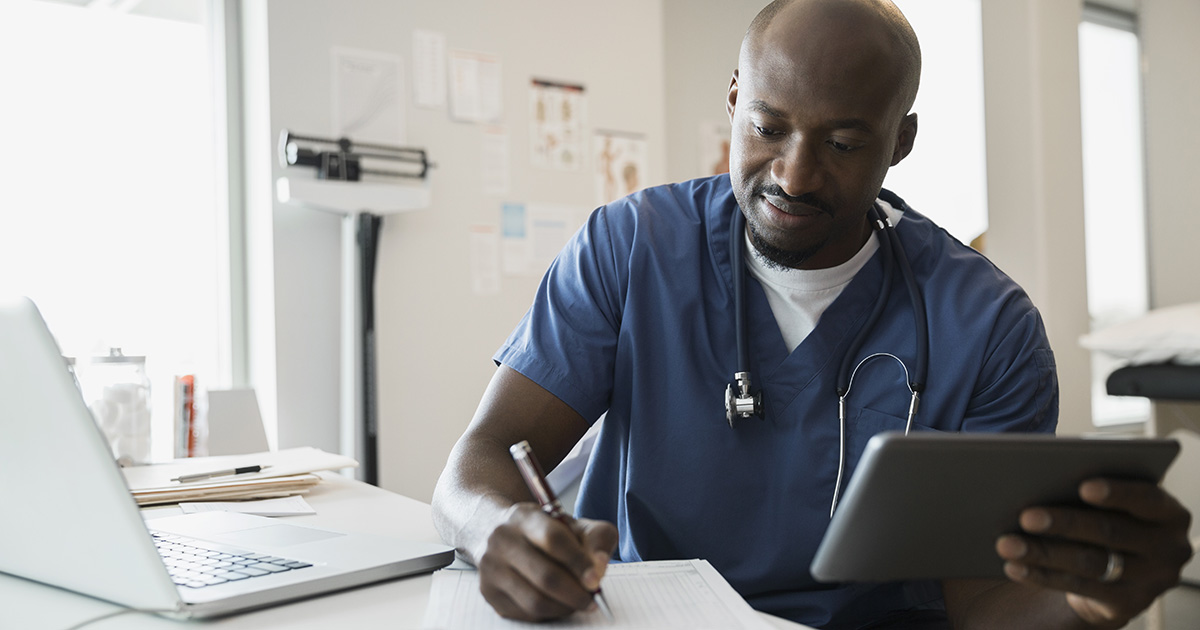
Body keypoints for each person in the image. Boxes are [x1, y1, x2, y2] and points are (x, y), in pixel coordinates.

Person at [431, 0, 1194, 627]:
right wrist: (499, 533)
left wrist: (1091, 604)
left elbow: (987, 602)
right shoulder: (631, 249)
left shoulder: (989, 328)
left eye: (841, 142)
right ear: (734, 98)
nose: (794, 174)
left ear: (901, 142)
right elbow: (480, 459)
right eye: (768, 127)